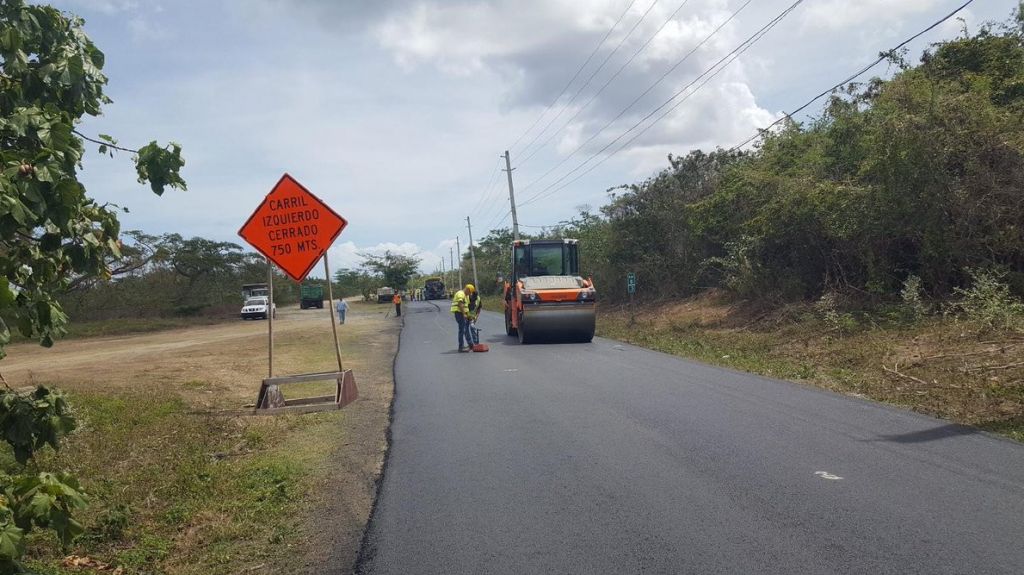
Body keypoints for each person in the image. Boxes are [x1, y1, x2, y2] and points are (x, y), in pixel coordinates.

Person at [451, 283, 475, 352]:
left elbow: (466, 307)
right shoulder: (460, 293)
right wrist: (464, 314)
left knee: (466, 329)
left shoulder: (466, 296)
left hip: (463, 313)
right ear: (467, 289)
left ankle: (470, 344)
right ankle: (461, 347)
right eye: (469, 292)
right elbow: (460, 304)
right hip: (459, 313)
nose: (470, 294)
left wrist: (469, 316)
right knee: (462, 330)